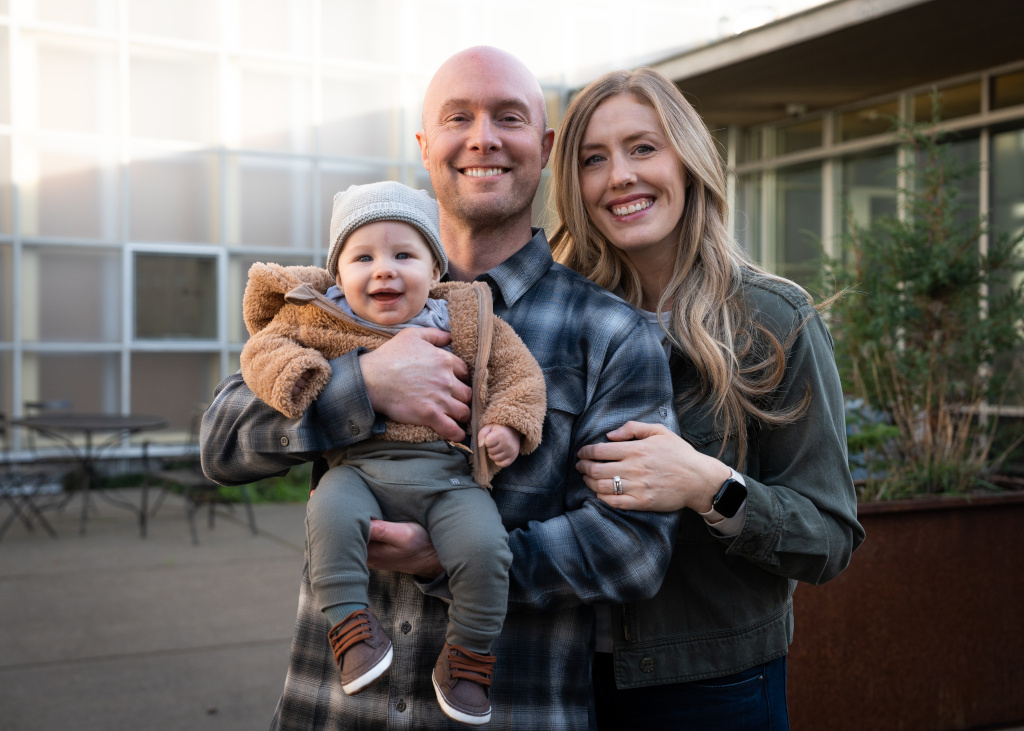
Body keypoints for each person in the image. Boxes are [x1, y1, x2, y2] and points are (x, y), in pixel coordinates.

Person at [201, 47, 680, 730]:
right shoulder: (338, 300)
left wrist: (452, 561)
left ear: (543, 148)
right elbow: (219, 443)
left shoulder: (608, 332)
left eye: (508, 117)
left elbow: (635, 549)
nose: (483, 136)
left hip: (516, 711)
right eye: (459, 117)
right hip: (331, 711)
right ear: (426, 146)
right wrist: (362, 384)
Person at [549, 67, 866, 730]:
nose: (620, 176)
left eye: (643, 147)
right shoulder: (549, 318)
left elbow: (830, 537)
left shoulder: (774, 321)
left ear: (687, 161)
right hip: (553, 675)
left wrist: (709, 485)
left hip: (713, 687)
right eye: (593, 159)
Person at [239, 180, 547, 725]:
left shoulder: (466, 316)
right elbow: (262, 350)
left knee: (485, 548)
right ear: (339, 275)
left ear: (435, 271)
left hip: (448, 475)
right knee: (328, 515)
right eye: (363, 257)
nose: (383, 269)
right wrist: (310, 380)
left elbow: (518, 374)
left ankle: (468, 657)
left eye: (403, 254)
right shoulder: (319, 316)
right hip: (358, 469)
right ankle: (351, 629)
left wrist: (508, 425)